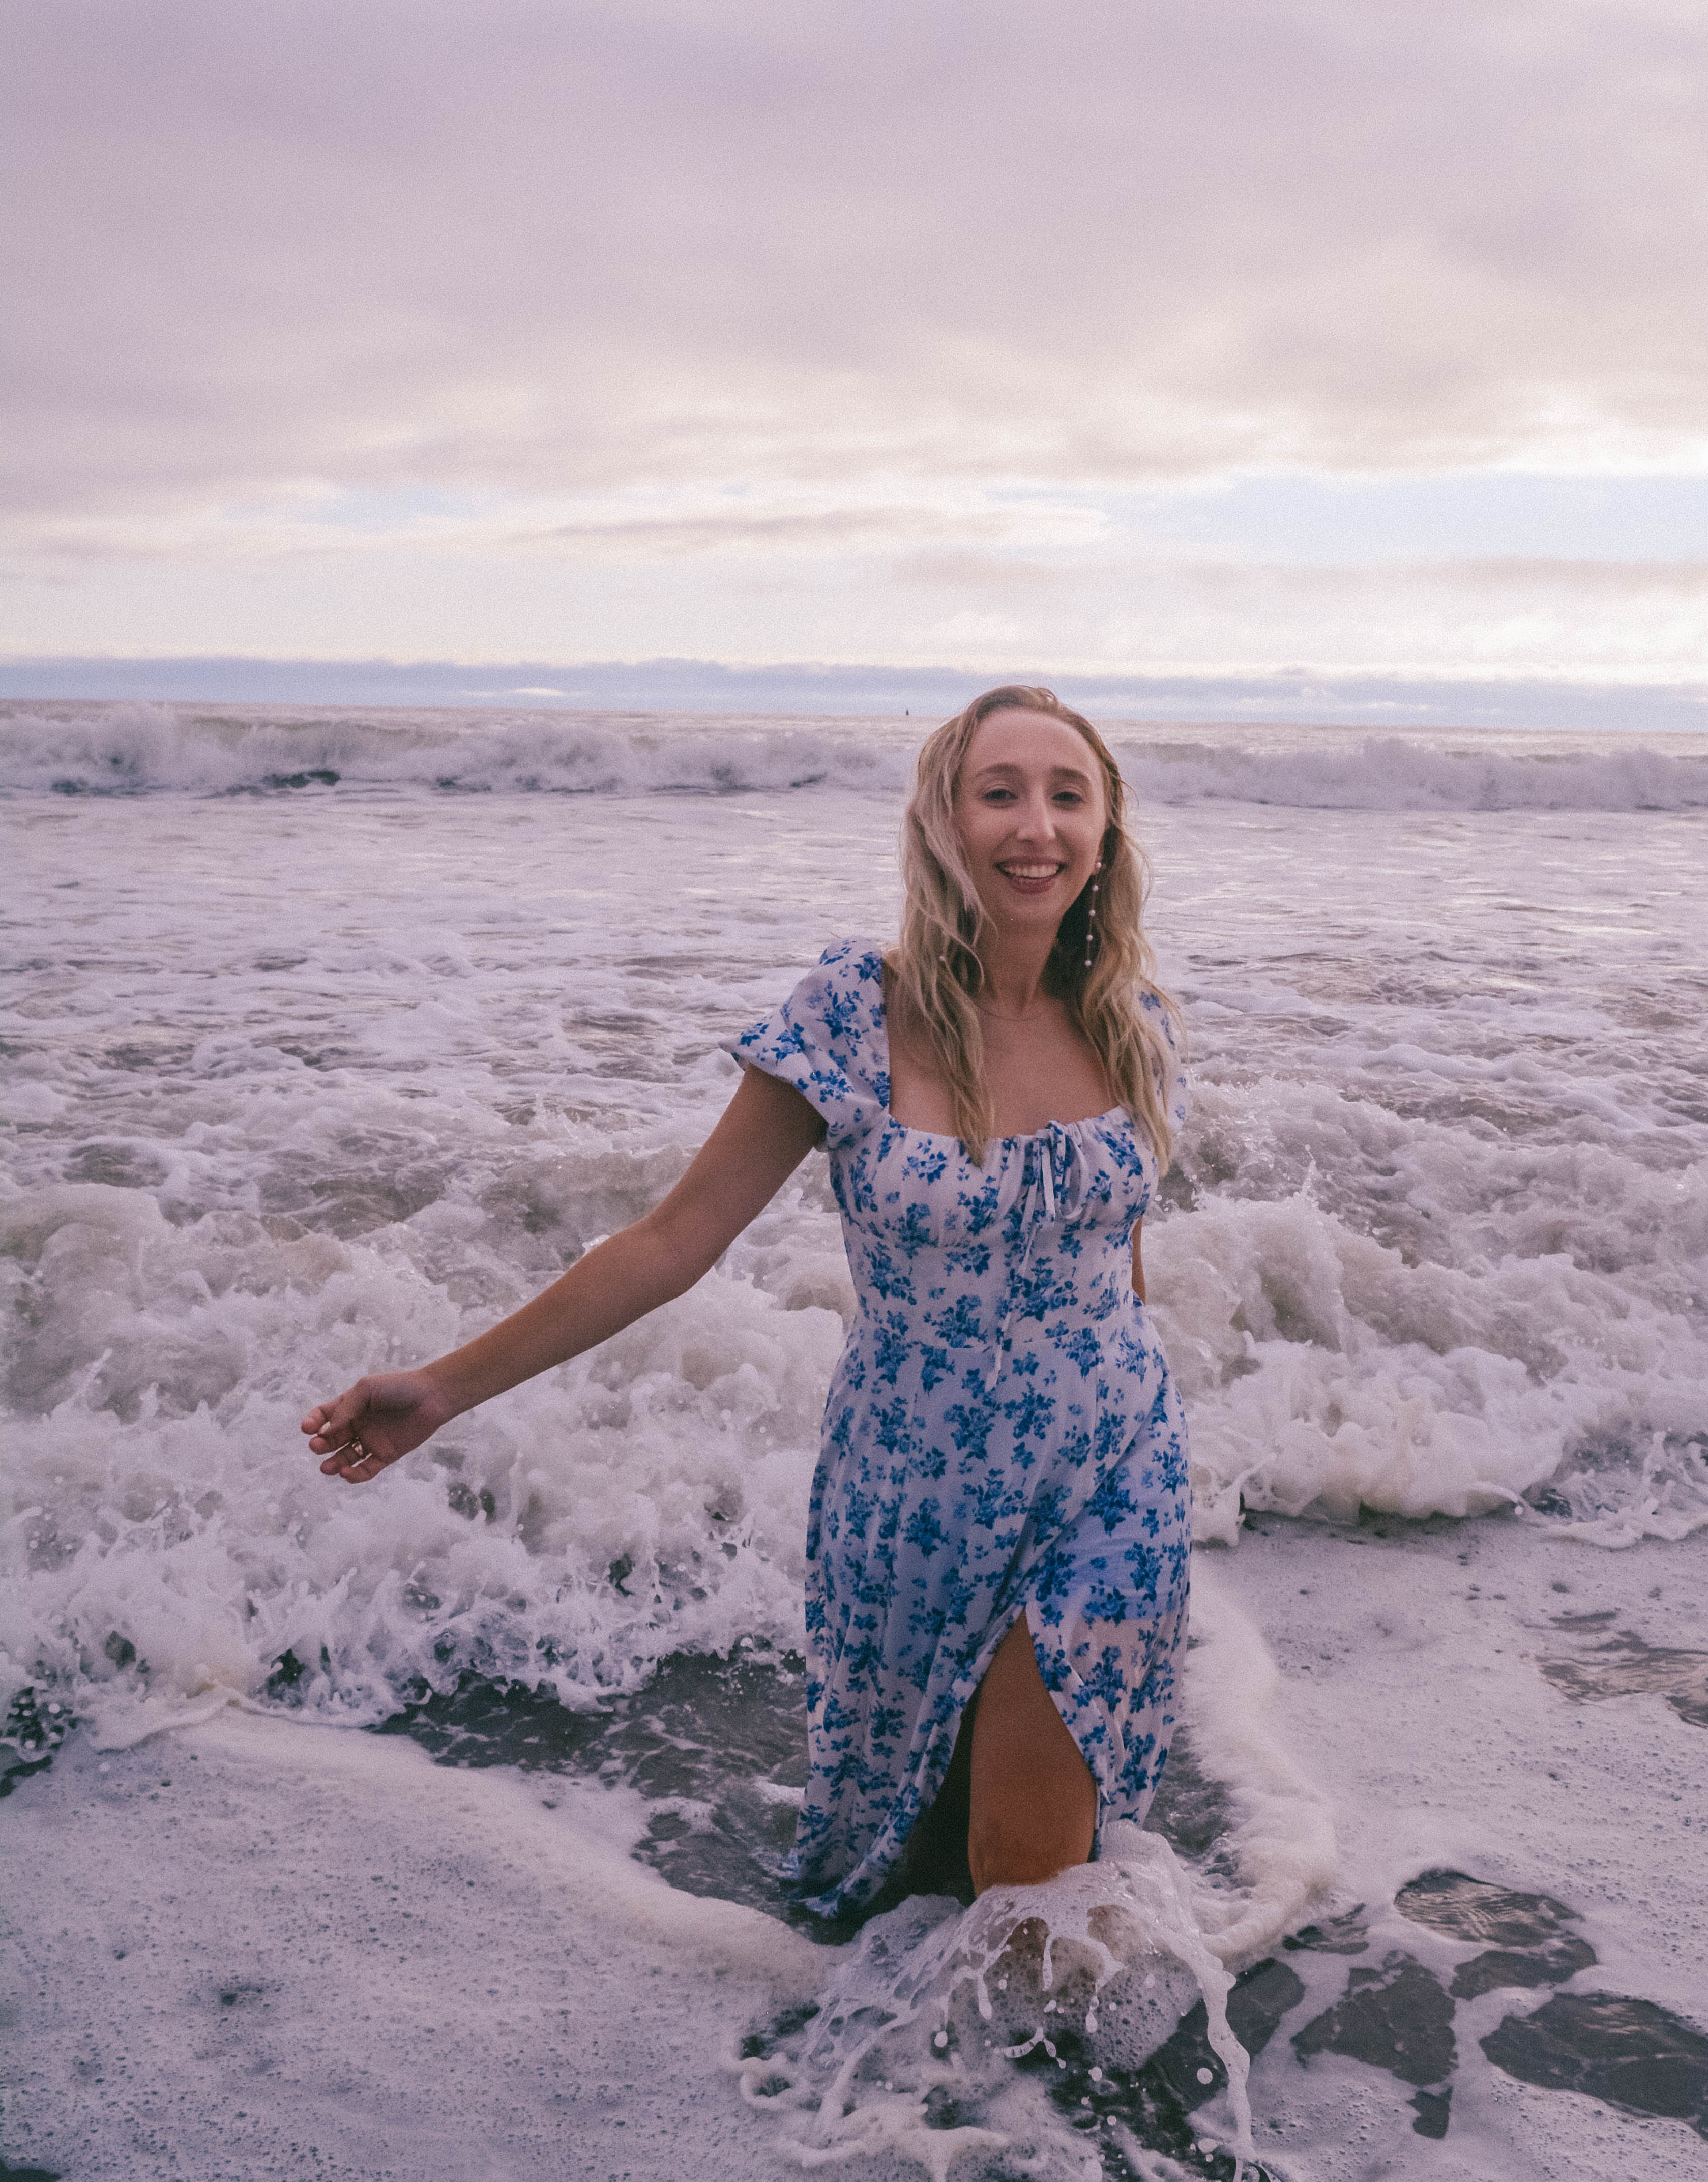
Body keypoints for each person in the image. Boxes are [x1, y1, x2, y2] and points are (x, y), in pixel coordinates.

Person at [303, 684, 1191, 1917]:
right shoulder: (852, 1015)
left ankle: (1039, 2102)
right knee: (916, 1866)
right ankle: (904, 2092)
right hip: (914, 1490)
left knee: (1024, 1865)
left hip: (1110, 1471)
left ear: (1103, 832)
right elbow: (670, 1244)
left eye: (1065, 795)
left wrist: (1142, 1423)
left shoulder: (1130, 1022)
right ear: (943, 822)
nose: (1032, 824)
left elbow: (1112, 1251)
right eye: (999, 793)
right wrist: (444, 1388)